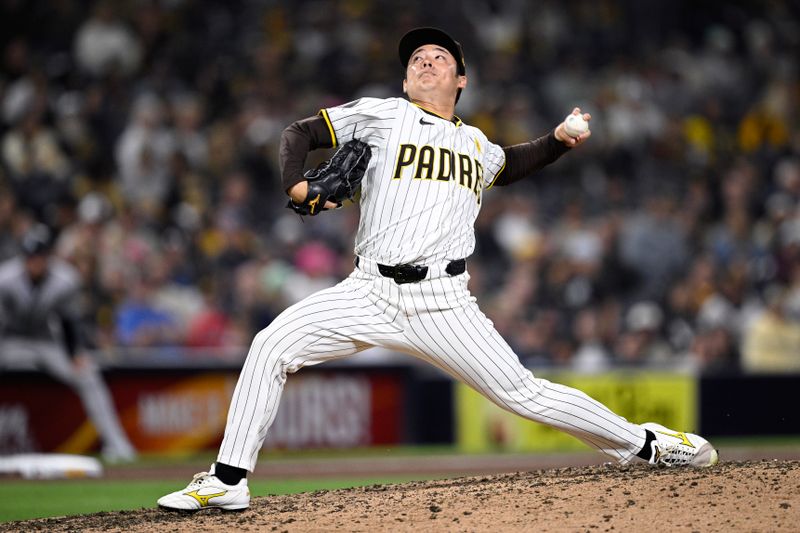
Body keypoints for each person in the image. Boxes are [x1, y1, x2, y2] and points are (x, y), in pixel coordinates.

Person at [158, 27, 718, 512]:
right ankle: (228, 481)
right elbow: (297, 134)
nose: (426, 60)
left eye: (440, 57)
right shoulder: (382, 114)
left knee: (524, 395)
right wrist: (297, 186)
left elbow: (514, 161)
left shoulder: (476, 144)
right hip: (369, 290)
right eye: (416, 59)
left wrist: (559, 141)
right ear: (405, 81)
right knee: (271, 345)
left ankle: (646, 445)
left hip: (444, 302)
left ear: (462, 82)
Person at [0, 223, 136, 462]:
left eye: (40, 257)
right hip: (10, 343)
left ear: (48, 257)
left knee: (87, 373)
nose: (35, 262)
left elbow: (69, 320)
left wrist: (75, 353)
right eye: (31, 257)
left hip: (45, 342)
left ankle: (118, 445)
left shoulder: (65, 279)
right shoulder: (5, 279)